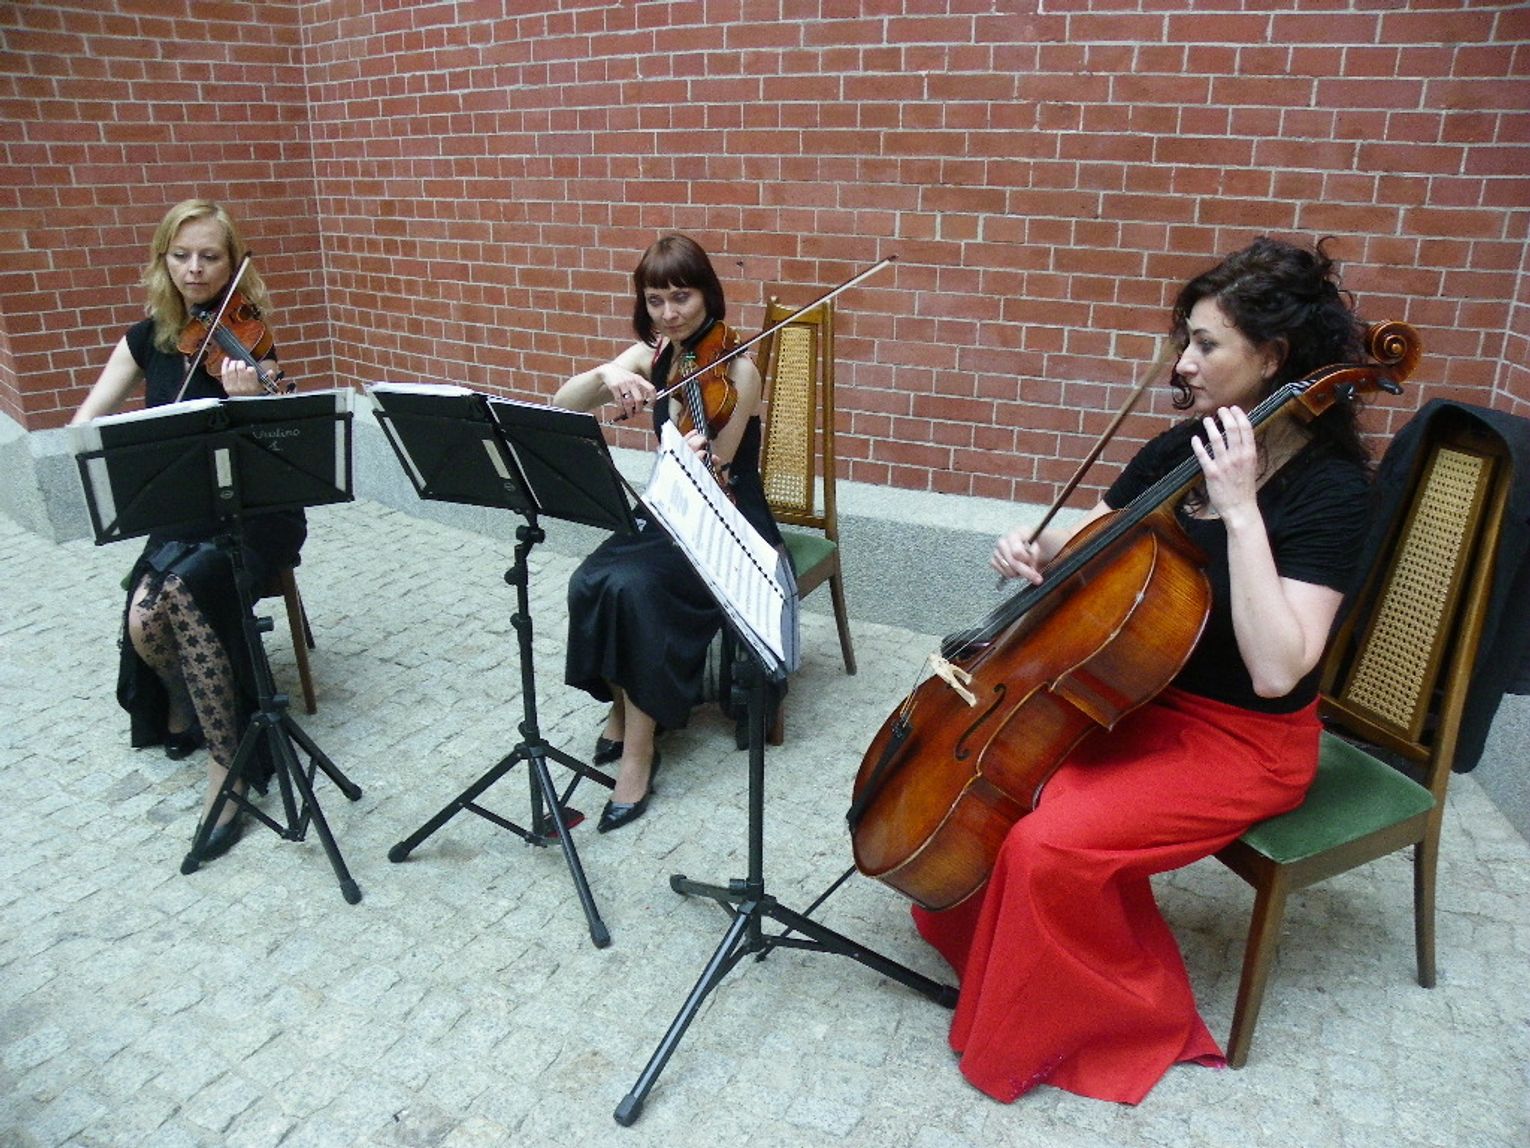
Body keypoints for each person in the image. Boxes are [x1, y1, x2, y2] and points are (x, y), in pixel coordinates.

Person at [912, 236, 1374, 1104]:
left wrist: (1242, 513)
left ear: (1273, 357)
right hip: (1142, 700)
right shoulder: (1178, 449)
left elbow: (1278, 670)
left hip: (1247, 742)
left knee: (1050, 844)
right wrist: (1037, 548)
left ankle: (1118, 1020)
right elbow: (1090, 538)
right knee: (1011, 788)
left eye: (1206, 344)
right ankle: (1005, 964)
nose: (1183, 362)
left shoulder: (1333, 490)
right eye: (1185, 340)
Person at [71, 199, 305, 862]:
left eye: (210, 256)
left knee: (180, 590)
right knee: (145, 623)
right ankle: (191, 703)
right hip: (179, 510)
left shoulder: (247, 341)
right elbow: (87, 422)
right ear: (163, 261)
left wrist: (252, 403)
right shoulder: (145, 340)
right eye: (181, 256)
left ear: (232, 266)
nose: (195, 269)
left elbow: (285, 450)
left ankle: (227, 769)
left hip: (251, 516)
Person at [553, 234, 782, 833]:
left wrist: (692, 456)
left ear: (707, 294)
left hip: (726, 516)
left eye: (682, 298)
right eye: (656, 301)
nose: (670, 314)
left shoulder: (739, 369)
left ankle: (639, 752)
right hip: (669, 513)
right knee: (590, 580)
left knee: (636, 590)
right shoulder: (654, 354)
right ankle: (622, 709)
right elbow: (562, 404)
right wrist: (607, 372)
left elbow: (720, 473)